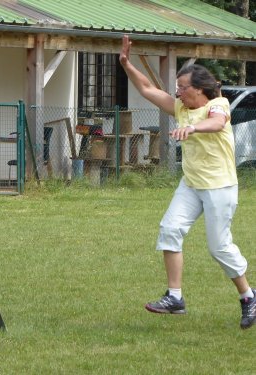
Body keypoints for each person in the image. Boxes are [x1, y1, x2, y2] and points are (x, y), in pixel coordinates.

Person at [118, 35, 255, 329]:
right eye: (176, 88)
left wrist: (192, 128)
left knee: (219, 247)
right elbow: (146, 88)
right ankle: (175, 297)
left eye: (182, 88)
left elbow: (217, 123)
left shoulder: (218, 104)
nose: (177, 93)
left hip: (220, 186)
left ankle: (248, 296)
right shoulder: (180, 107)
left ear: (200, 88)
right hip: (192, 184)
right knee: (169, 229)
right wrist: (126, 64)